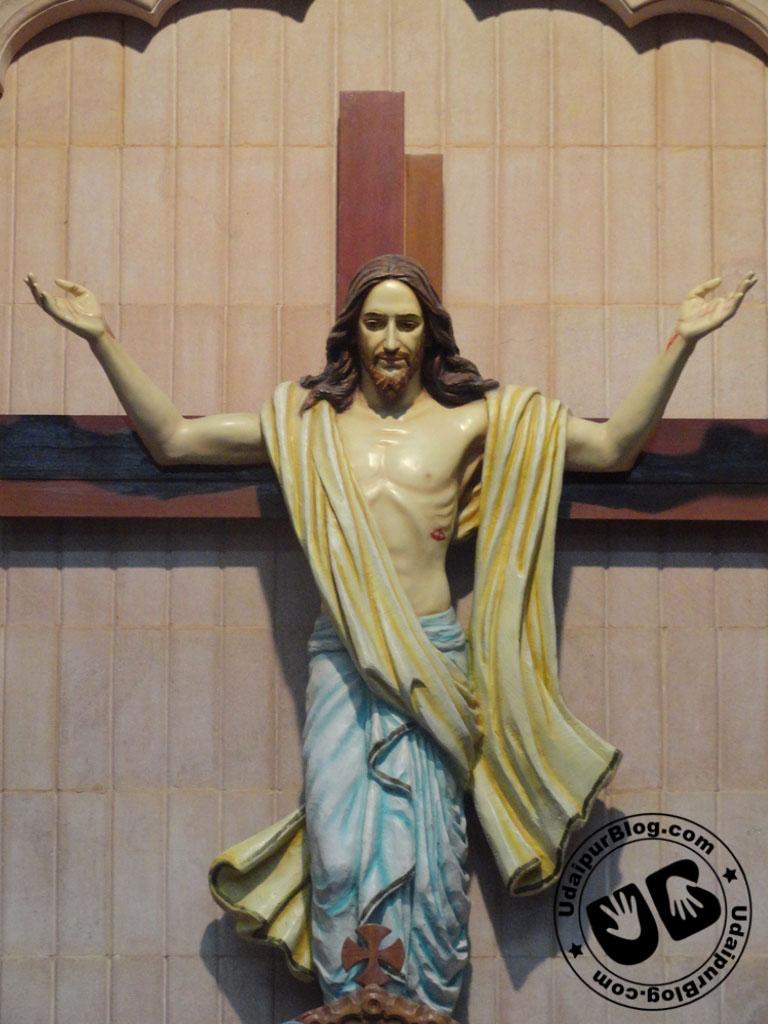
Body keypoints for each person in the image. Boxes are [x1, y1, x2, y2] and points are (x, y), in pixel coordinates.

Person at [25, 257, 756, 1019]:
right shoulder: (306, 423)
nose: (391, 339)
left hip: (432, 659)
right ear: (352, 334)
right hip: (344, 662)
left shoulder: (477, 420)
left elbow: (611, 451)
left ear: (431, 334)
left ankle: (426, 1005)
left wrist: (683, 339)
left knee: (432, 857)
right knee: (338, 850)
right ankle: (349, 1002)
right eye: (375, 322)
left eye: (407, 323)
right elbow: (174, 439)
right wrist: (99, 336)